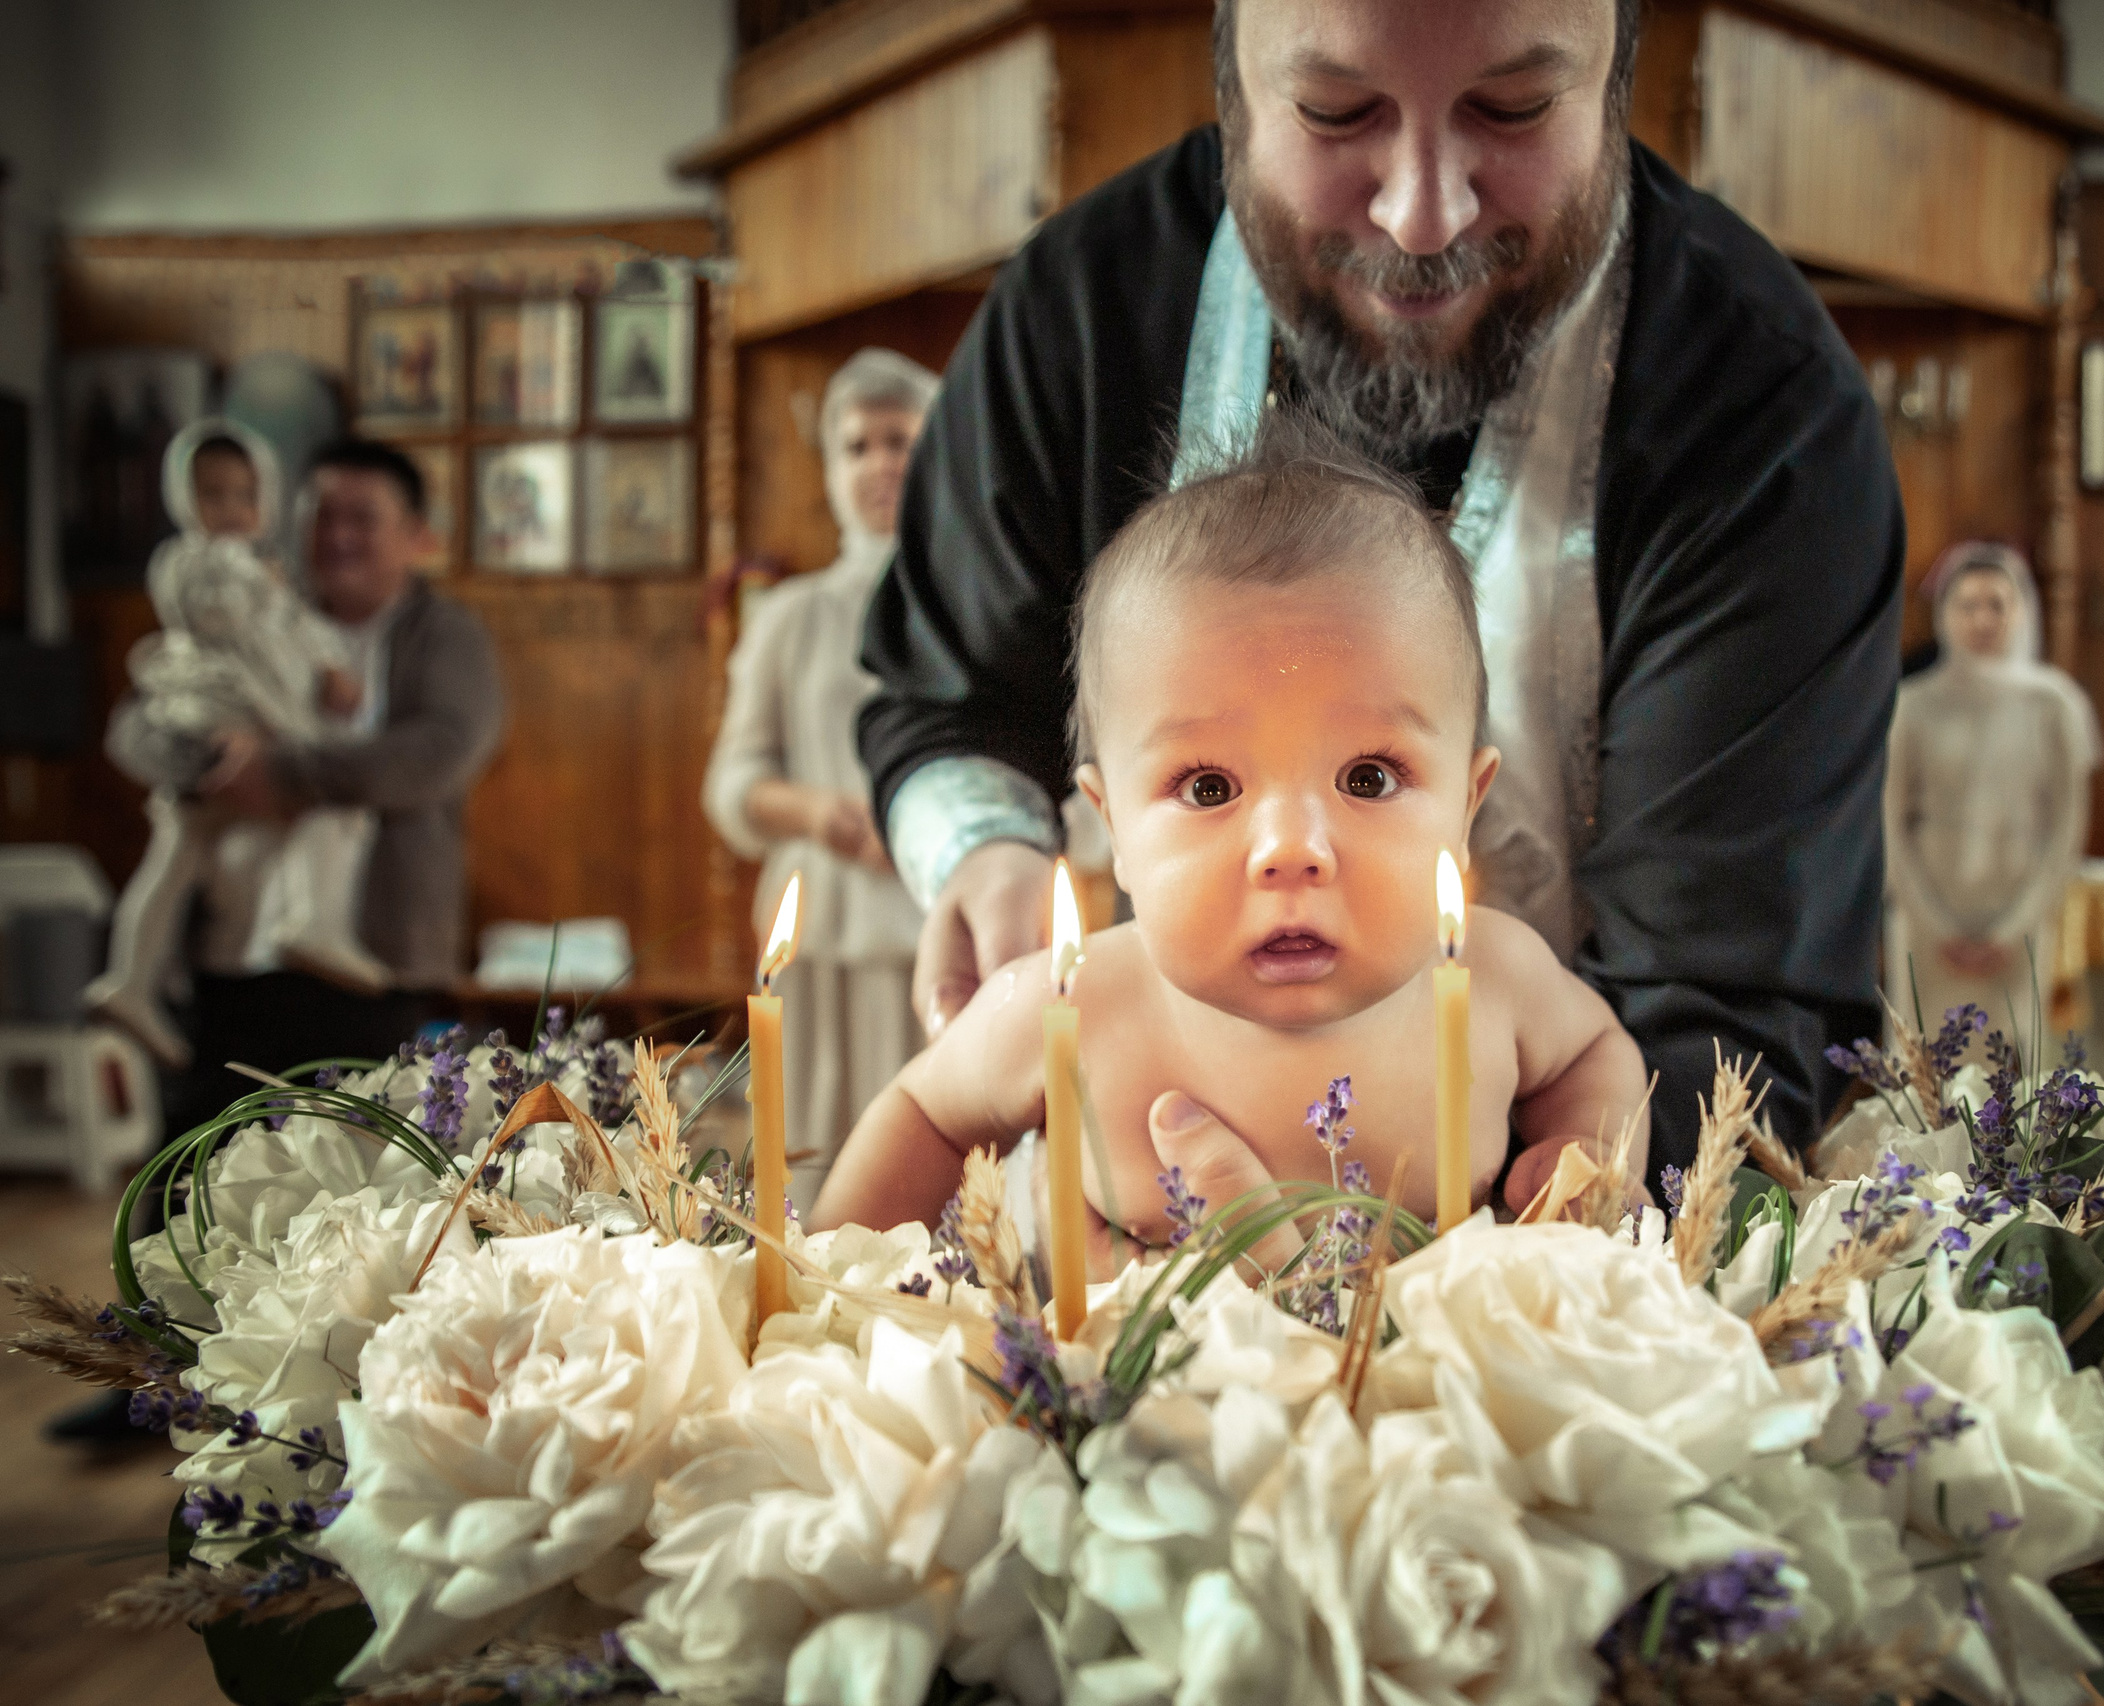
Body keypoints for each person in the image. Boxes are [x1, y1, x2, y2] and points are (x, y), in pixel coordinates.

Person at [857, 0, 1903, 1190]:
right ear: (1232, 90)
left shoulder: (1764, 405)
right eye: (1335, 111)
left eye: (1512, 108)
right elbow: (948, 697)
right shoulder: (1078, 305)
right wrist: (987, 850)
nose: (1422, 217)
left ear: (1614, 83)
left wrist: (1444, 1231)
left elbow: (1728, 1002)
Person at [811, 425, 1648, 1247]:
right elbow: (925, 1113)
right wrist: (829, 1280)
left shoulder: (1497, 979)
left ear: (1468, 806)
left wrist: (1583, 1147)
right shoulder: (1071, 1010)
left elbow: (1591, 1053)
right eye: (1208, 787)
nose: (1292, 848)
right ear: (1114, 825)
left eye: (1368, 778)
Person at [47, 437, 505, 1450]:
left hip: (369, 952)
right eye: (320, 514)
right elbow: (134, 727)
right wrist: (209, 757)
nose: (335, 535)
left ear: (413, 535)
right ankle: (145, 1375)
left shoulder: (443, 635)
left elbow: (438, 754)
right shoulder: (247, 607)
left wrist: (285, 775)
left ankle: (346, 1395)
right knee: (187, 1160)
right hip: (232, 942)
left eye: (362, 517)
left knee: (358, 1177)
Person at [703, 349, 936, 1208]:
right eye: (857, 445)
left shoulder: (978, 609)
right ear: (831, 469)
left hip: (937, 914)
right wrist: (816, 812)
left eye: (900, 440)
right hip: (819, 919)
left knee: (934, 1159)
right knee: (816, 1156)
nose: (879, 464)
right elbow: (733, 779)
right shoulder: (791, 618)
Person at [86, 419, 382, 1067]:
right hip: (212, 727)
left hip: (230, 742)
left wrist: (328, 667)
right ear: (182, 498)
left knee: (176, 858)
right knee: (331, 804)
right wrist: (270, 599)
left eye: (246, 495)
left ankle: (130, 979)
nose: (231, 510)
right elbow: (246, 629)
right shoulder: (201, 564)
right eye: (213, 494)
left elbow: (296, 637)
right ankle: (308, 921)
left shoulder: (263, 575)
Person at [1883, 543, 2101, 1049]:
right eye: (1968, 605)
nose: (1982, 619)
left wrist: (2014, 927)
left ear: (2022, 610)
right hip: (1927, 921)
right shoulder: (1912, 703)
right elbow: (1889, 822)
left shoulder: (2056, 705)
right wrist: (1933, 923)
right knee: (1924, 1065)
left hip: (2018, 920)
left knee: (2011, 1070)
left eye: (1997, 604)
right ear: (1945, 613)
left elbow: (2067, 825)